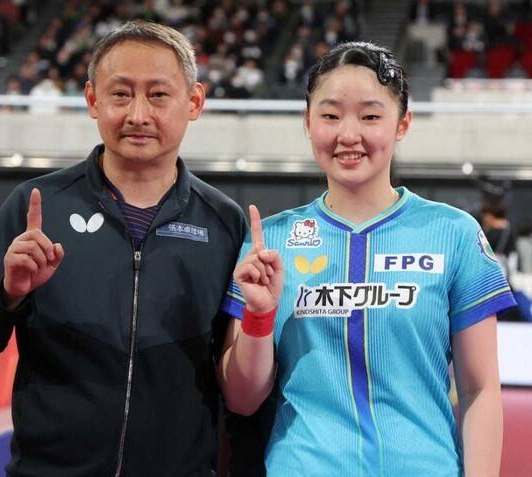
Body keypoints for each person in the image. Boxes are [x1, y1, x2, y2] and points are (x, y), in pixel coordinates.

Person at [0, 20, 246, 477]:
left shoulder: (224, 222)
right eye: (120, 94)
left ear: (194, 102)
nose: (138, 114)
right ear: (92, 100)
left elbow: (236, 378)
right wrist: (7, 294)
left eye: (158, 95)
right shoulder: (37, 206)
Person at [219, 42, 515, 476]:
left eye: (370, 116)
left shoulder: (453, 234)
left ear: (403, 123)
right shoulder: (270, 243)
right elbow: (242, 399)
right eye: (330, 115)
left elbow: (480, 389)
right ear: (307, 122)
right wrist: (259, 316)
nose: (348, 134)